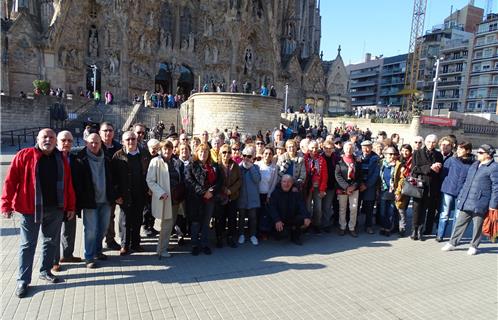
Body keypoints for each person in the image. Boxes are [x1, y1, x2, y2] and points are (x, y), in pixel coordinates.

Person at [1, 128, 76, 298]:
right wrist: (6, 204)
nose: (48, 140)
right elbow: (11, 180)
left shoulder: (61, 158)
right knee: (28, 245)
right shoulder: (24, 155)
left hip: (55, 209)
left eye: (51, 137)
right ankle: (23, 280)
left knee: (50, 242)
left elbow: (68, 183)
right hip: (30, 209)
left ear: (55, 140)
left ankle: (45, 270)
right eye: (44, 137)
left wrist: (70, 206)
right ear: (38, 138)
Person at [442, 144, 498, 255]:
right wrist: (462, 196)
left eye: (481, 153)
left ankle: (474, 246)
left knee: (477, 226)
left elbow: (496, 188)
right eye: (478, 152)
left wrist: (493, 205)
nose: (478, 154)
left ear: (488, 155)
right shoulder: (475, 165)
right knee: (459, 223)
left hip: (481, 202)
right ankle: (452, 243)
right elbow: (467, 183)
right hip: (467, 200)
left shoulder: (494, 168)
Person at [72, 133, 114, 268]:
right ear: (86, 143)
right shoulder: (80, 159)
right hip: (90, 201)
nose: (94, 145)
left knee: (103, 228)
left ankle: (98, 251)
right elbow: (77, 182)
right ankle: (89, 257)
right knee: (90, 230)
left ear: (101, 143)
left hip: (105, 200)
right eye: (91, 142)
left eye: (97, 142)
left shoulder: (107, 157)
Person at [111, 131, 151, 255]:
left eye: (133, 139)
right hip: (124, 194)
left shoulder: (144, 154)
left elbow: (149, 172)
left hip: (140, 192)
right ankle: (124, 245)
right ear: (123, 141)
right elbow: (113, 178)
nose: (131, 142)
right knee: (124, 220)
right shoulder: (118, 155)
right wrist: (116, 195)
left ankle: (136, 244)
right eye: (127, 139)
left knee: (137, 219)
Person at [146, 140, 184, 258]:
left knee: (169, 224)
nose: (167, 151)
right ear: (161, 150)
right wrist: (160, 192)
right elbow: (150, 180)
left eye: (169, 149)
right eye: (165, 149)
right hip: (164, 198)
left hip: (175, 199)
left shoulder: (176, 162)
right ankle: (161, 250)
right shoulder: (155, 161)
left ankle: (163, 246)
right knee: (165, 225)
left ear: (173, 150)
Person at [185, 143, 223, 255]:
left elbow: (219, 181)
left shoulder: (213, 165)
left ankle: (205, 244)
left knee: (206, 223)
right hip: (196, 199)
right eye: (201, 151)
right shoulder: (191, 165)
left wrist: (211, 192)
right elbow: (189, 181)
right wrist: (203, 192)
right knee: (196, 223)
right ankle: (195, 244)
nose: (203, 154)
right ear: (197, 152)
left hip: (209, 198)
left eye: (206, 151)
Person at [52, 131, 81, 273]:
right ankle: (54, 261)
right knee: (54, 233)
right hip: (54, 202)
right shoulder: (51, 158)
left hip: (70, 200)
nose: (67, 143)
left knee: (69, 229)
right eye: (63, 140)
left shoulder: (74, 158)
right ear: (57, 141)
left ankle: (68, 255)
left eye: (70, 141)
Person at [436, 141, 474, 242]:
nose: (458, 150)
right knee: (444, 214)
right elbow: (443, 174)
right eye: (458, 148)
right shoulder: (452, 160)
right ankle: (440, 234)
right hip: (448, 190)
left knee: (458, 216)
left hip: (462, 193)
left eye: (461, 149)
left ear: (468, 150)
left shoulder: (473, 163)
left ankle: (454, 238)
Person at [411, 134, 443, 240]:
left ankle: (420, 230)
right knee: (416, 208)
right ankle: (414, 230)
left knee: (425, 208)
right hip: (419, 184)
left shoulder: (438, 154)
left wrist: (438, 168)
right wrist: (429, 168)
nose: (431, 144)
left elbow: (440, 171)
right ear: (425, 142)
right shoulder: (417, 153)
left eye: (433, 142)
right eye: (429, 141)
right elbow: (414, 169)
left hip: (431, 186)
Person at [99, 122, 123, 250]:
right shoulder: (96, 146)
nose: (108, 133)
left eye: (110, 130)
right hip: (98, 187)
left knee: (110, 216)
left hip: (113, 187)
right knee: (97, 217)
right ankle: (97, 242)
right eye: (105, 130)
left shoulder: (119, 148)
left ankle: (110, 239)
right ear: (100, 132)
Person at [268, 175, 311, 245]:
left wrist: (306, 217)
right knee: (282, 234)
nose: (286, 184)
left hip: (291, 218)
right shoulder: (275, 193)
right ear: (281, 182)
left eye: (289, 182)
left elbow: (302, 205)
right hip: (280, 220)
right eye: (284, 182)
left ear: (292, 183)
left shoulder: (296, 193)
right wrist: (277, 220)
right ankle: (287, 231)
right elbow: (272, 209)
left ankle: (295, 236)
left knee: (303, 218)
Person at [215, 144, 242, 248]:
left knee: (232, 218)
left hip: (232, 196)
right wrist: (223, 189)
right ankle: (219, 237)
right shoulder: (216, 165)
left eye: (229, 152)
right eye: (224, 152)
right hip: (220, 197)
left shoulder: (235, 165)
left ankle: (230, 237)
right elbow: (215, 180)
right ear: (220, 153)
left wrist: (231, 190)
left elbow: (240, 180)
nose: (227, 154)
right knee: (220, 218)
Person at [335, 141, 362, 237]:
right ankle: (342, 227)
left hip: (354, 188)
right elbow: (337, 176)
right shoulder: (339, 161)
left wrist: (353, 186)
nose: (349, 150)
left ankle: (352, 227)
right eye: (347, 148)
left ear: (354, 149)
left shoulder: (357, 161)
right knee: (342, 208)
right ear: (344, 149)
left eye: (351, 148)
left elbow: (359, 176)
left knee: (353, 208)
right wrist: (346, 187)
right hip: (343, 188)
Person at [238, 145, 261, 245]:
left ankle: (253, 235)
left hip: (253, 198)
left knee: (253, 217)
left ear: (253, 157)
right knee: (241, 217)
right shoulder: (238, 167)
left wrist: (251, 167)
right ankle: (241, 234)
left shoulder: (256, 167)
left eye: (249, 156)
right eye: (244, 156)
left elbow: (257, 180)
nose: (246, 158)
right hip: (242, 197)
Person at [303, 140, 328, 233]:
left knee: (318, 208)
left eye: (316, 148)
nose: (314, 150)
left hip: (318, 187)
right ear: (308, 148)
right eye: (312, 147)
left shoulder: (321, 159)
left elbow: (325, 175)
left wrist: (322, 189)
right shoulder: (304, 158)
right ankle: (307, 225)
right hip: (308, 187)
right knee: (307, 207)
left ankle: (316, 224)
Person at [255, 146, 279, 239]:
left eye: (270, 154)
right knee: (257, 213)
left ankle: (264, 232)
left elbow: (273, 182)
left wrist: (269, 195)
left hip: (267, 194)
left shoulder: (274, 167)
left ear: (272, 155)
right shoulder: (257, 164)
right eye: (266, 153)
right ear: (262, 154)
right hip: (257, 193)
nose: (267, 155)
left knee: (266, 213)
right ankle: (255, 232)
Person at [378, 147, 401, 236]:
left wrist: (398, 192)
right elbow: (378, 178)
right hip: (383, 190)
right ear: (385, 155)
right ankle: (382, 227)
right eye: (390, 154)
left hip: (393, 191)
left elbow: (401, 180)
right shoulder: (381, 163)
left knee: (390, 211)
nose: (392, 156)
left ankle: (388, 228)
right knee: (383, 211)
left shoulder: (398, 165)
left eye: (394, 154)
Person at [358, 140, 380, 234]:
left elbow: (376, 174)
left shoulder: (376, 159)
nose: (366, 149)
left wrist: (366, 185)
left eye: (368, 147)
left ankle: (368, 226)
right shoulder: (358, 157)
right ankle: (354, 225)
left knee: (369, 207)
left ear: (371, 147)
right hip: (358, 185)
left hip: (369, 186)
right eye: (364, 147)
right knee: (356, 206)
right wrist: (359, 183)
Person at [394, 144, 413, 236]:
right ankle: (396, 226)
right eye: (403, 150)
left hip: (407, 187)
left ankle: (402, 228)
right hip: (396, 186)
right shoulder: (397, 159)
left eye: (407, 151)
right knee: (398, 208)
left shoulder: (413, 160)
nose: (405, 152)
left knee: (402, 208)